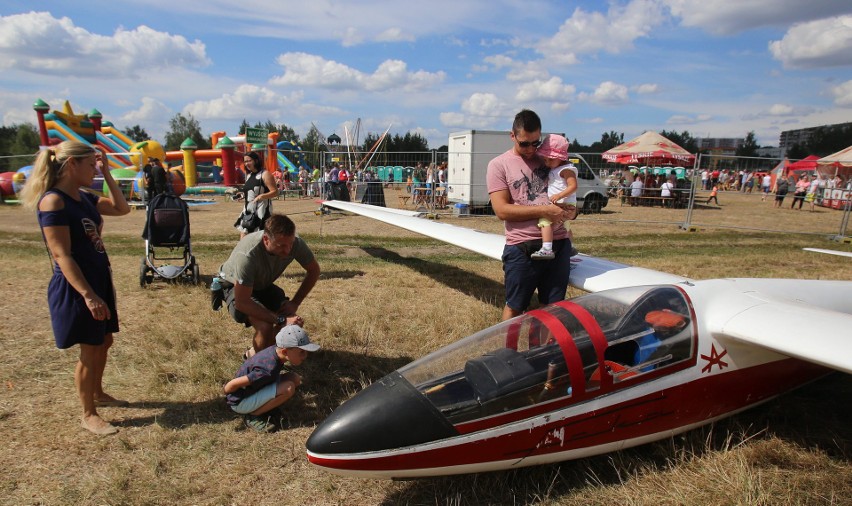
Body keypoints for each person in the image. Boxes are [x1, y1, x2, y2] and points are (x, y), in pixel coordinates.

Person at [21, 141, 131, 436]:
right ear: (72, 165)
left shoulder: (83, 197)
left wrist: (108, 175)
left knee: (104, 341)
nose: (94, 170)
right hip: (77, 286)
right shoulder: (53, 201)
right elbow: (61, 255)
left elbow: (123, 208)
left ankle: (97, 392)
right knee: (91, 347)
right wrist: (88, 295)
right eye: (91, 165)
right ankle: (88, 414)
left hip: (98, 279)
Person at [485, 109, 572, 321]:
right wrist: (545, 210)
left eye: (536, 143)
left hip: (558, 245)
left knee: (552, 309)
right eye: (524, 143)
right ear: (512, 135)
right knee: (515, 307)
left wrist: (571, 212)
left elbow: (569, 192)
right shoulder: (498, 165)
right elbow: (502, 210)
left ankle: (542, 352)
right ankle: (507, 351)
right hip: (522, 248)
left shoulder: (549, 160)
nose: (531, 149)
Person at [218, 214, 321, 356]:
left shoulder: (295, 243)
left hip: (261, 285)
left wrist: (295, 303)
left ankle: (257, 356)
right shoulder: (248, 255)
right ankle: (262, 371)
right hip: (234, 286)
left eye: (290, 244)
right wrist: (281, 319)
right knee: (265, 327)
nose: (288, 250)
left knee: (293, 324)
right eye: (282, 246)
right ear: (266, 240)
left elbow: (314, 271)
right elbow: (242, 303)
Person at [224, 324, 320, 432]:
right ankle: (254, 415)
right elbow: (232, 385)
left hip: (255, 389)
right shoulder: (267, 369)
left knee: (295, 378)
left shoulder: (275, 351)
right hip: (240, 402)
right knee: (288, 388)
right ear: (285, 352)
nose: (305, 356)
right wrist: (228, 394)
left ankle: (264, 407)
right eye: (301, 352)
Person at [530, 134, 578, 260]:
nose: (547, 163)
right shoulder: (558, 168)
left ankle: (546, 248)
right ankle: (571, 246)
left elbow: (573, 186)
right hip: (564, 202)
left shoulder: (566, 170)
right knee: (565, 224)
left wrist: (559, 195)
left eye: (550, 159)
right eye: (545, 160)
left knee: (545, 221)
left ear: (560, 157)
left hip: (563, 202)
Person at [235, 151, 276, 238]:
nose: (246, 163)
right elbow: (250, 192)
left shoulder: (265, 174)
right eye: (245, 161)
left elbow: (275, 192)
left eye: (249, 161)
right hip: (248, 211)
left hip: (262, 211)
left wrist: (262, 196)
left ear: (256, 161)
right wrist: (242, 195)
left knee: (260, 238)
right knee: (244, 238)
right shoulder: (249, 175)